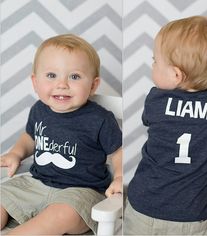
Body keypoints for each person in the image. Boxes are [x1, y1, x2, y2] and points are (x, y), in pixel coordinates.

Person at [0, 34, 122, 235]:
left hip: (80, 191)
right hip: (36, 183)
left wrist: (119, 177)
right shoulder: (39, 110)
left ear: (92, 85)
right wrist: (16, 153)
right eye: (51, 75)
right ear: (35, 82)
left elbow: (118, 152)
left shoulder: (99, 119)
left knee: (62, 215)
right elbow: (30, 137)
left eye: (74, 76)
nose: (62, 84)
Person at [124, 16, 207, 235]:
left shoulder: (156, 100)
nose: (153, 65)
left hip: (145, 207)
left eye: (155, 60)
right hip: (195, 213)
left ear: (176, 75)